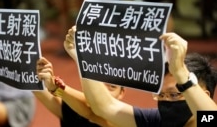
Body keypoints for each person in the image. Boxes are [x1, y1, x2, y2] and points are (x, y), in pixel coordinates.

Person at [64, 26, 217, 127]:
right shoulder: (157, 121)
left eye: (174, 94)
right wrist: (84, 59)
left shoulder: (207, 120)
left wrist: (181, 72)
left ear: (204, 95)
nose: (166, 101)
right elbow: (104, 106)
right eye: (161, 95)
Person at [0, 17, 124, 127]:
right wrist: (2, 48)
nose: (103, 91)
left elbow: (94, 108)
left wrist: (56, 87)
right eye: (99, 84)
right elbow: (30, 81)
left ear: (121, 93)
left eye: (112, 87)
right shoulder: (73, 112)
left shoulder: (126, 120)